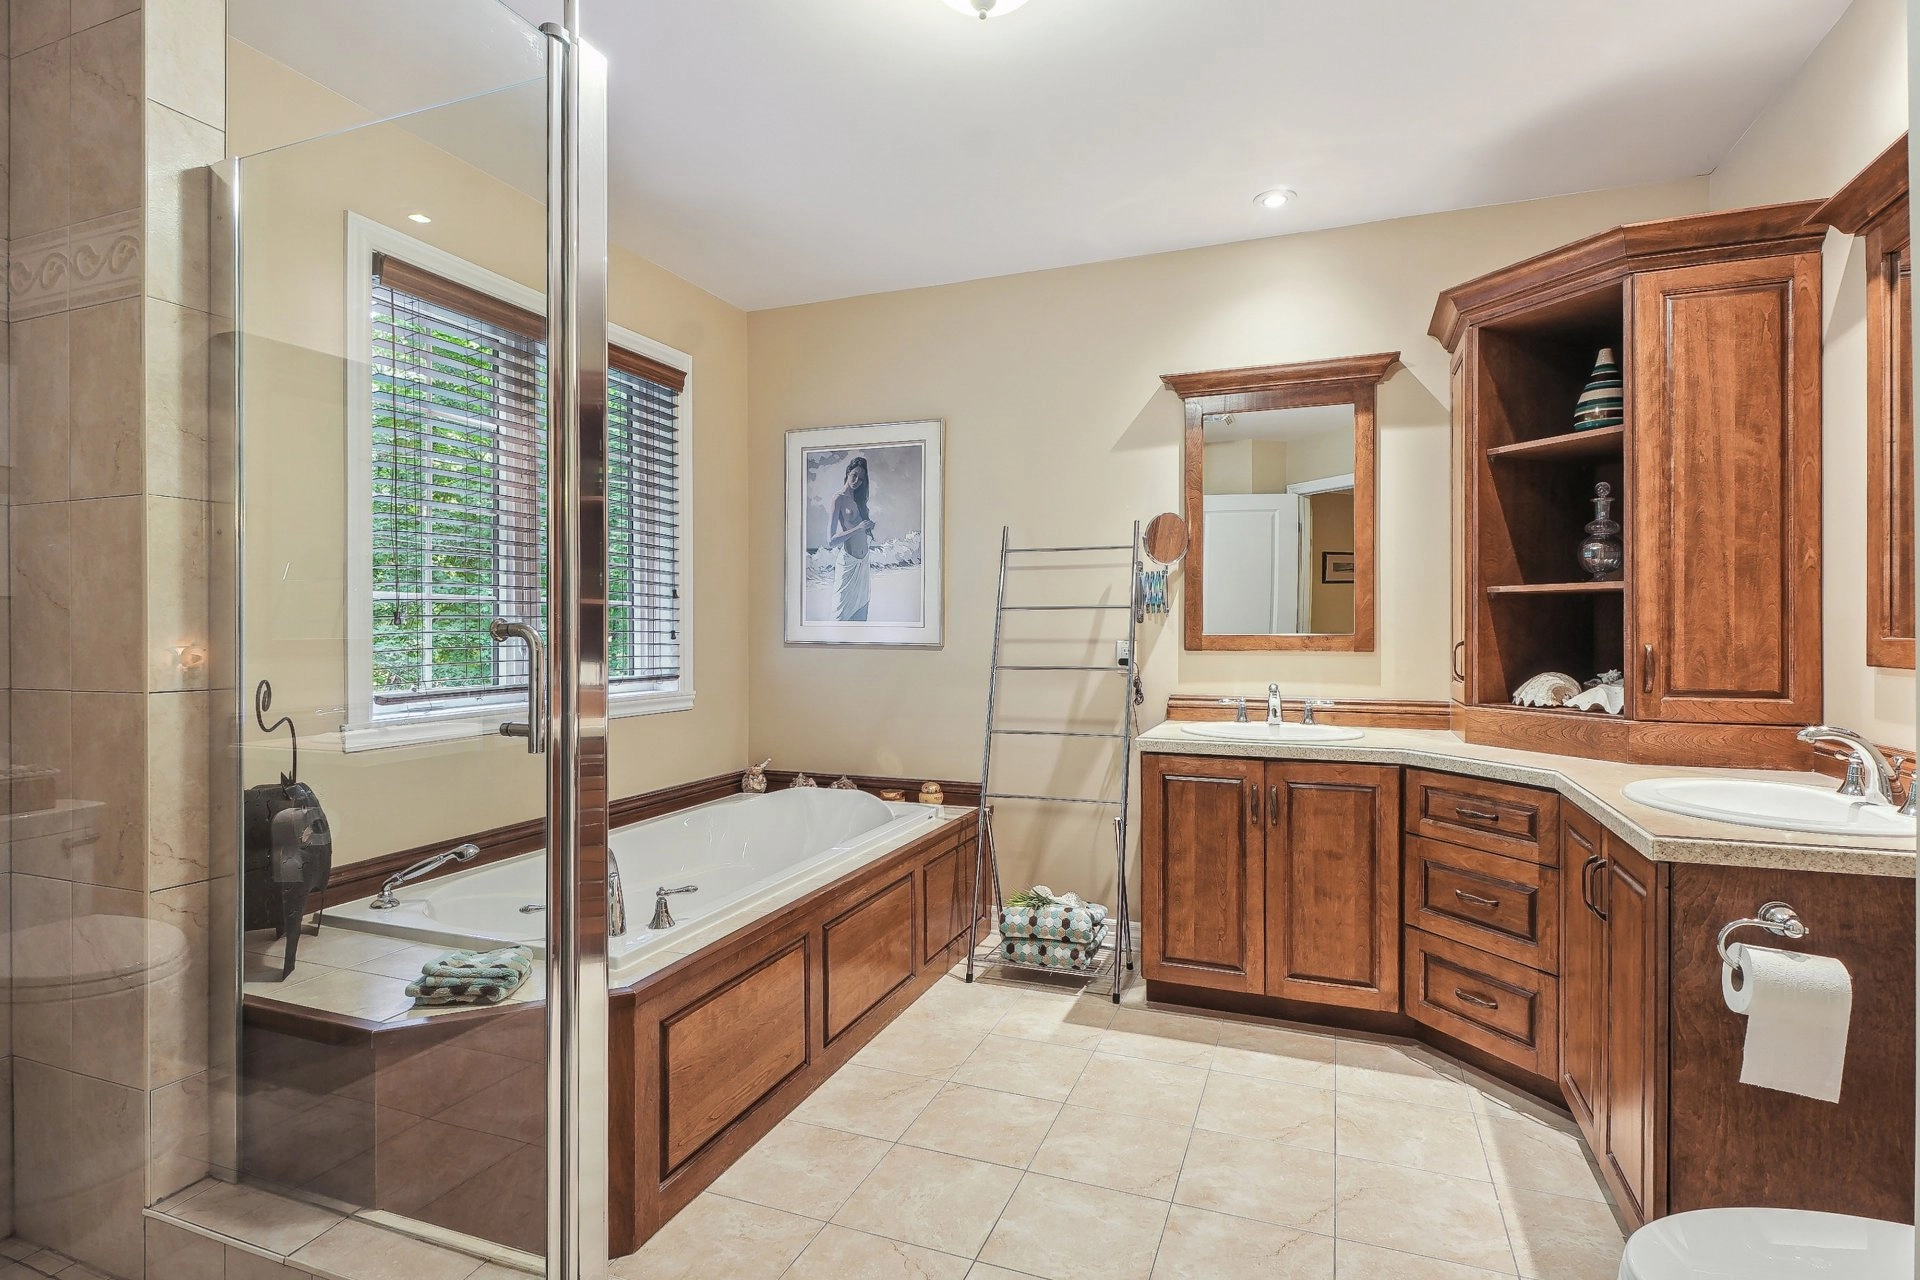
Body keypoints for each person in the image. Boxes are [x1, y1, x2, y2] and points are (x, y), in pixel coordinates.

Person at [822, 454, 875, 621]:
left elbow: (860, 528)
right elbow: (830, 541)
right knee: (840, 616)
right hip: (848, 564)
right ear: (848, 472)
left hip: (864, 562)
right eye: (854, 475)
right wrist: (858, 528)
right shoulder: (838, 498)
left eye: (861, 479)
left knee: (862, 612)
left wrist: (867, 527)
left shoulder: (859, 499)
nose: (856, 481)